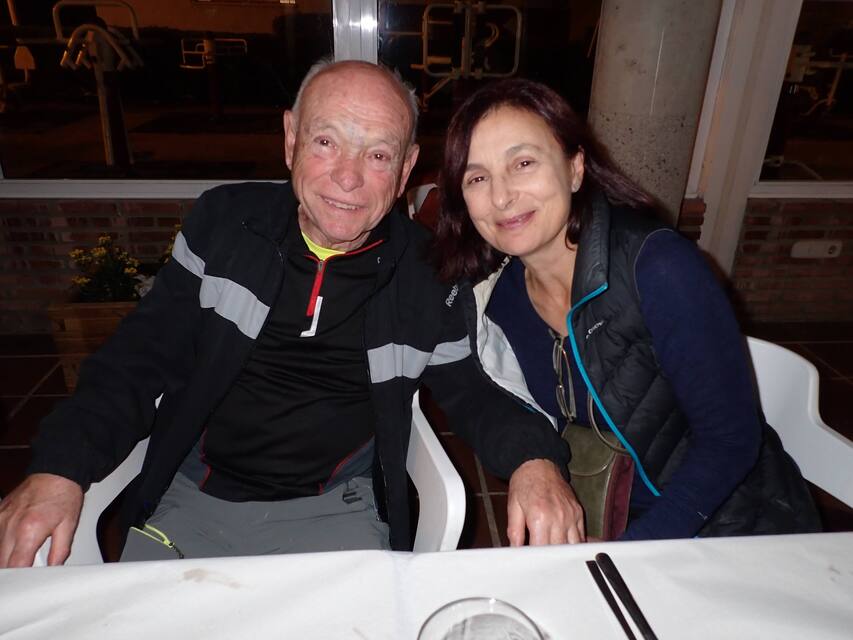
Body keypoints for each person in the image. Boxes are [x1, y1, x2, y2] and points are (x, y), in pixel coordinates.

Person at [0, 61, 584, 568]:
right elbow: (138, 357)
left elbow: (475, 391)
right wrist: (60, 468)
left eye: (378, 154)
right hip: (190, 504)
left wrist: (534, 460)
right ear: (290, 139)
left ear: (406, 170)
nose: (348, 177)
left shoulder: (428, 275)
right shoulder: (224, 225)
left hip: (338, 514)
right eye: (327, 141)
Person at [431, 78, 821, 540]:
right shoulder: (494, 298)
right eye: (477, 177)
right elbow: (486, 394)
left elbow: (730, 442)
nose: (501, 196)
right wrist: (531, 460)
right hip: (606, 520)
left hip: (732, 527)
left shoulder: (659, 268)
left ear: (575, 168)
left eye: (523, 163)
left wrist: (631, 552)